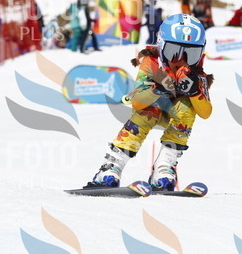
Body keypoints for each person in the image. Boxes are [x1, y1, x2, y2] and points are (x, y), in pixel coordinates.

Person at [86, 13, 213, 191]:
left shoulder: (196, 74)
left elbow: (205, 113)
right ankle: (111, 166)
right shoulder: (152, 63)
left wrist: (194, 92)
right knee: (147, 112)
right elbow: (137, 103)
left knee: (186, 107)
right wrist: (157, 88)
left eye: (190, 54)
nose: (180, 61)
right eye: (173, 52)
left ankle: (164, 167)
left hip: (176, 116)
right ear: (161, 46)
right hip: (151, 109)